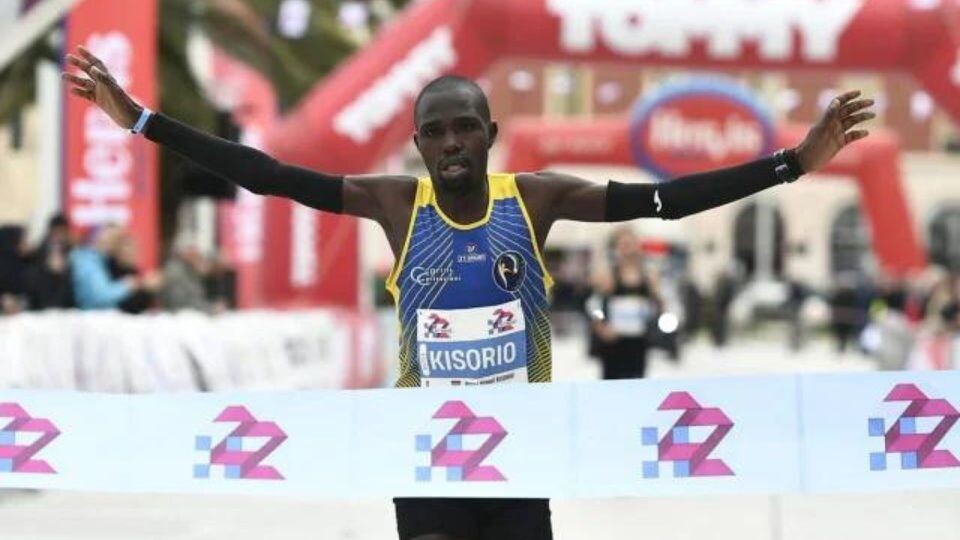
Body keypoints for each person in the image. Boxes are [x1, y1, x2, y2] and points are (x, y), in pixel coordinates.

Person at [63, 44, 875, 540]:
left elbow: (663, 200)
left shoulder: (538, 199)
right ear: (418, 144)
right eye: (436, 131)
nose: (451, 142)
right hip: (426, 449)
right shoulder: (393, 204)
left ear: (491, 133)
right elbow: (268, 175)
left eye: (465, 127)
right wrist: (141, 122)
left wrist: (791, 164)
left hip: (522, 450)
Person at [586, 226, 663, 379]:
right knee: (612, 386)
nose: (627, 250)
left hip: (638, 344)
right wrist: (601, 327)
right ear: (615, 248)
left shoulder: (649, 277)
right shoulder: (607, 276)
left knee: (636, 385)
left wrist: (657, 309)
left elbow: (658, 308)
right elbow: (592, 307)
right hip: (613, 345)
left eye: (630, 244)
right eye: (623, 245)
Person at [22, 213, 75, 310]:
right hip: (42, 305)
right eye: (56, 233)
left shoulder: (71, 251)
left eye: (62, 233)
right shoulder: (40, 252)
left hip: (65, 305)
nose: (59, 237)